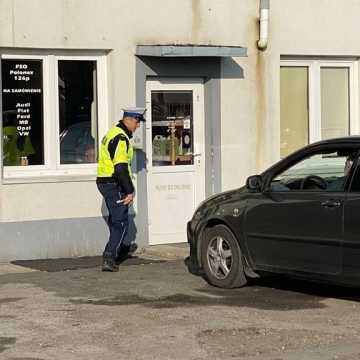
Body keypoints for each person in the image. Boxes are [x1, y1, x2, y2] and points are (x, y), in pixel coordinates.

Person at [96, 107, 146, 272]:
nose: (138, 126)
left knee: (116, 219)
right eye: (137, 122)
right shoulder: (120, 139)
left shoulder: (112, 132)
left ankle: (121, 248)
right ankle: (109, 257)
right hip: (113, 183)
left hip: (105, 182)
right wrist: (130, 191)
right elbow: (120, 168)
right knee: (121, 223)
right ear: (130, 119)